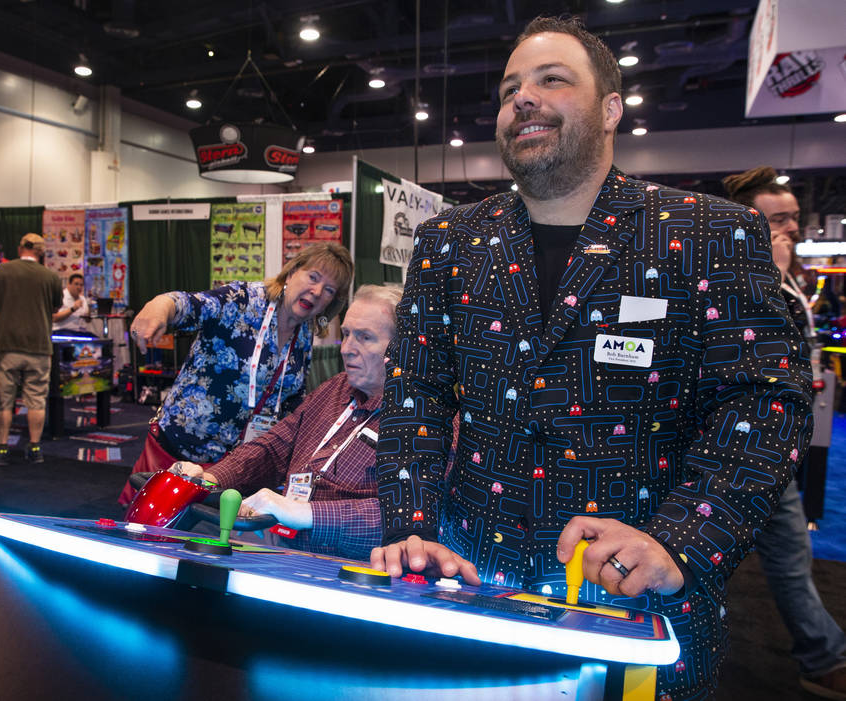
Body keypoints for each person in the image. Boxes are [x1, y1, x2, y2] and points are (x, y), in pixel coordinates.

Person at [369, 17, 812, 701]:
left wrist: (681, 539)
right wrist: (411, 524)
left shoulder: (710, 231)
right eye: (510, 88)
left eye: (552, 79)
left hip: (636, 611)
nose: (522, 97)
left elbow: (766, 403)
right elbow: (414, 392)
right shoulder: (449, 241)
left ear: (611, 109)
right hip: (467, 596)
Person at [723, 166, 846, 699]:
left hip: (779, 440)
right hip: (746, 445)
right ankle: (823, 657)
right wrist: (764, 277)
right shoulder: (735, 273)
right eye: (778, 219)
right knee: (788, 554)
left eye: (793, 217)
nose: (792, 228)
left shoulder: (787, 273)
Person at [172, 285, 401, 560]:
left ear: (404, 347)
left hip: (344, 564)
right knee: (180, 535)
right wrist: (209, 479)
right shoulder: (336, 389)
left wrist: (305, 513)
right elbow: (273, 447)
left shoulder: (423, 419)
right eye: (347, 334)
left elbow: (406, 518)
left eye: (365, 338)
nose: (346, 349)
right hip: (280, 540)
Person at [120, 242, 354, 505]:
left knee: (213, 530)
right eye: (313, 277)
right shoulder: (244, 299)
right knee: (151, 526)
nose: (317, 291)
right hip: (181, 451)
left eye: (329, 290)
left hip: (232, 470)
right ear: (291, 273)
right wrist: (159, 306)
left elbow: (291, 397)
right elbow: (190, 305)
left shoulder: (304, 332)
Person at [0, 233, 63, 466]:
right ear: (41, 252)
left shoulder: (3, 271)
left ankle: (2, 449)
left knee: (4, 401)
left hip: (7, 347)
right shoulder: (50, 276)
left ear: (20, 248)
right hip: (40, 347)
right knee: (36, 401)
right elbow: (55, 310)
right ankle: (35, 448)